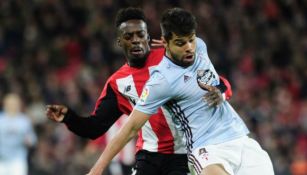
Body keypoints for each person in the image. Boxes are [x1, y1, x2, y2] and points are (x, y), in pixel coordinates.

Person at [86, 8, 274, 175]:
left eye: (190, 40)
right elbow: (131, 128)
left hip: (241, 138)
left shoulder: (200, 46)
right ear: (166, 43)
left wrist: (221, 92)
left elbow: (220, 83)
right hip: (206, 150)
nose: (189, 48)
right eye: (180, 43)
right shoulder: (162, 81)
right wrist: (97, 168)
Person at [46, 7, 233, 175]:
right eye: (128, 37)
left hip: (184, 153)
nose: (135, 41)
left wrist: (220, 91)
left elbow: (219, 82)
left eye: (140, 35)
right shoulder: (117, 83)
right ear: (120, 42)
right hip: (148, 157)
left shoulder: (171, 58)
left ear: (148, 38)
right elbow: (96, 128)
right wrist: (69, 117)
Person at [0, 93, 37, 175]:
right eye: (10, 103)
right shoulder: (0, 120)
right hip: (1, 160)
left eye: (14, 103)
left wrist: (29, 140)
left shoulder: (24, 121)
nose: (12, 106)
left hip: (18, 160)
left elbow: (33, 139)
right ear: (5, 104)